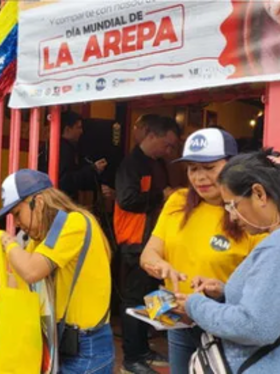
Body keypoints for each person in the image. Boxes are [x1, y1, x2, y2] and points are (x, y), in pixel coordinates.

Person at [138, 128, 264, 373]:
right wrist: (159, 265)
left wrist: (220, 290)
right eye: (193, 168)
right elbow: (149, 254)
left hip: (225, 328)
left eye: (210, 168)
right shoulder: (177, 202)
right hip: (179, 323)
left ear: (233, 167)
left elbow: (259, 289)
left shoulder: (250, 213)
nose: (200, 177)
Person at [177, 149, 280, 373]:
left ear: (259, 194)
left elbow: (256, 327)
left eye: (232, 205)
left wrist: (194, 305)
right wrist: (224, 293)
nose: (232, 216)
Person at [0, 169, 114, 373]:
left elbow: (31, 271)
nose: (17, 223)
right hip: (63, 342)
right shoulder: (42, 237)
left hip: (87, 347)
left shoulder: (73, 222)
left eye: (17, 214)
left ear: (38, 202)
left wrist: (3, 239)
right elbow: (20, 282)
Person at [114, 116, 180, 374]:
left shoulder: (158, 164)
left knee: (150, 297)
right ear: (151, 136)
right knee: (133, 299)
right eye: (167, 144)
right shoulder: (130, 164)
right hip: (135, 243)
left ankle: (143, 349)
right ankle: (131, 358)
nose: (169, 151)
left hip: (152, 242)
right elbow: (128, 199)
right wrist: (161, 195)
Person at [39, 111, 111, 202]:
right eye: (78, 128)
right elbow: (66, 181)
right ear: (67, 129)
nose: (81, 131)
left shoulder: (55, 146)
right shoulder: (63, 149)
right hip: (59, 200)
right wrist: (93, 169)